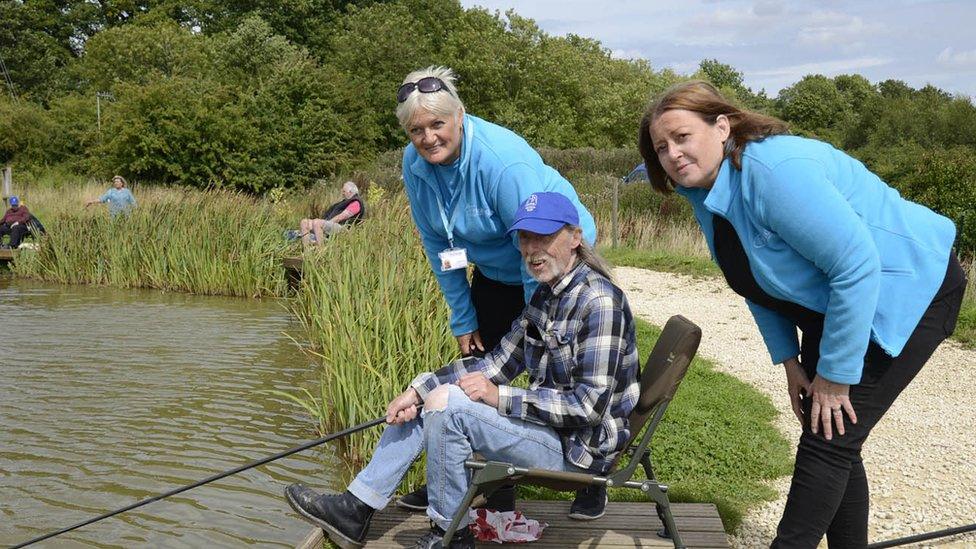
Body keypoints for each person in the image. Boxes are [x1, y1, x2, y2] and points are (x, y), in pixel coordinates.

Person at [639, 81, 966, 548]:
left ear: (722, 126)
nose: (672, 153)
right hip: (836, 304)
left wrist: (835, 375)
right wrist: (792, 363)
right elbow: (752, 281)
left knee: (828, 441)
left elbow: (856, 265)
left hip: (907, 289)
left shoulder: (774, 171)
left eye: (682, 137)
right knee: (832, 434)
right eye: (661, 146)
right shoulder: (707, 195)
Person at [285, 192, 640, 549]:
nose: (532, 249)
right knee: (435, 397)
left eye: (544, 237)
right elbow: (494, 363)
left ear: (575, 237)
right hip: (552, 433)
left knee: (450, 408)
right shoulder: (546, 296)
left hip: (579, 451)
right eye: (525, 237)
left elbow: (588, 407)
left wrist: (499, 396)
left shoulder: (598, 302)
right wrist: (417, 391)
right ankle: (357, 506)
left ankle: (450, 534)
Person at [394, 65, 600, 515]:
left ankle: (591, 476)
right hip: (492, 268)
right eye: (416, 130)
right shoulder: (416, 165)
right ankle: (479, 482)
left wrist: (538, 319)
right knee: (481, 372)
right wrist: (463, 317)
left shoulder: (502, 162)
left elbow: (533, 243)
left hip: (550, 253)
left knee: (562, 364)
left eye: (437, 124)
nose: (428, 138)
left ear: (460, 116)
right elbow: (438, 242)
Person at [299, 181, 365, 246]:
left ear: (350, 192)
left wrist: (325, 224)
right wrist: (325, 223)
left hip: (343, 228)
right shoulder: (345, 202)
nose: (342, 193)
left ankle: (321, 251)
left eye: (344, 191)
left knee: (317, 223)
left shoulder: (356, 203)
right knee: (304, 222)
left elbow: (340, 217)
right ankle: (306, 251)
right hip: (333, 225)